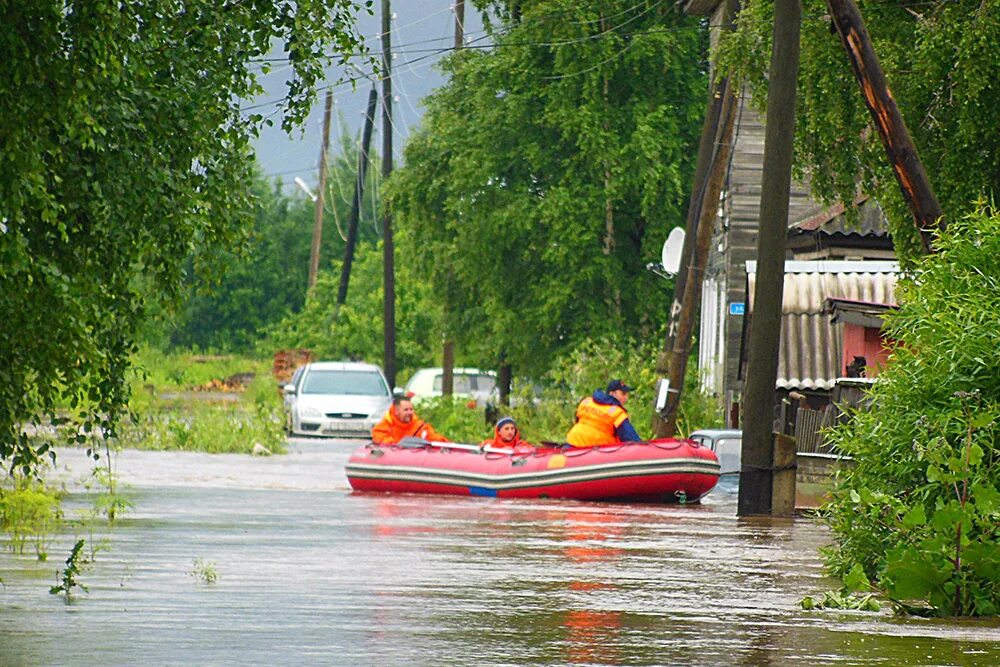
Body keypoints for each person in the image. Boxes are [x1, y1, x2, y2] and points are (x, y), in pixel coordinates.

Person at [565, 379, 642, 447]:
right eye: (623, 394)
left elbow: (577, 421)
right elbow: (631, 438)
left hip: (572, 443)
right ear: (612, 394)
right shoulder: (617, 413)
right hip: (594, 452)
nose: (626, 398)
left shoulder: (587, 402)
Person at [371, 395, 449, 445]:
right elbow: (380, 439)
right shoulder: (385, 426)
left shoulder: (420, 427)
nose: (410, 412)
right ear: (396, 412)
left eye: (411, 409)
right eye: (406, 410)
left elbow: (434, 438)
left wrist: (447, 444)